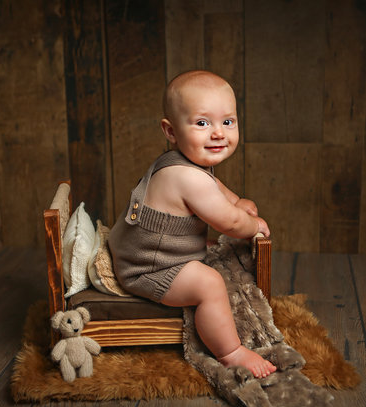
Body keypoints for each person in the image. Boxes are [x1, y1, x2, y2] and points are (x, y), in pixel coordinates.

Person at [107, 70, 276, 378]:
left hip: (144, 251)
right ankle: (230, 352)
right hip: (146, 268)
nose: (218, 133)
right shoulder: (186, 177)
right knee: (209, 283)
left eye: (228, 121)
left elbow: (220, 193)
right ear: (170, 131)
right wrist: (250, 224)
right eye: (202, 123)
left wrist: (240, 204)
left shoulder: (181, 162)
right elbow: (228, 223)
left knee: (207, 251)